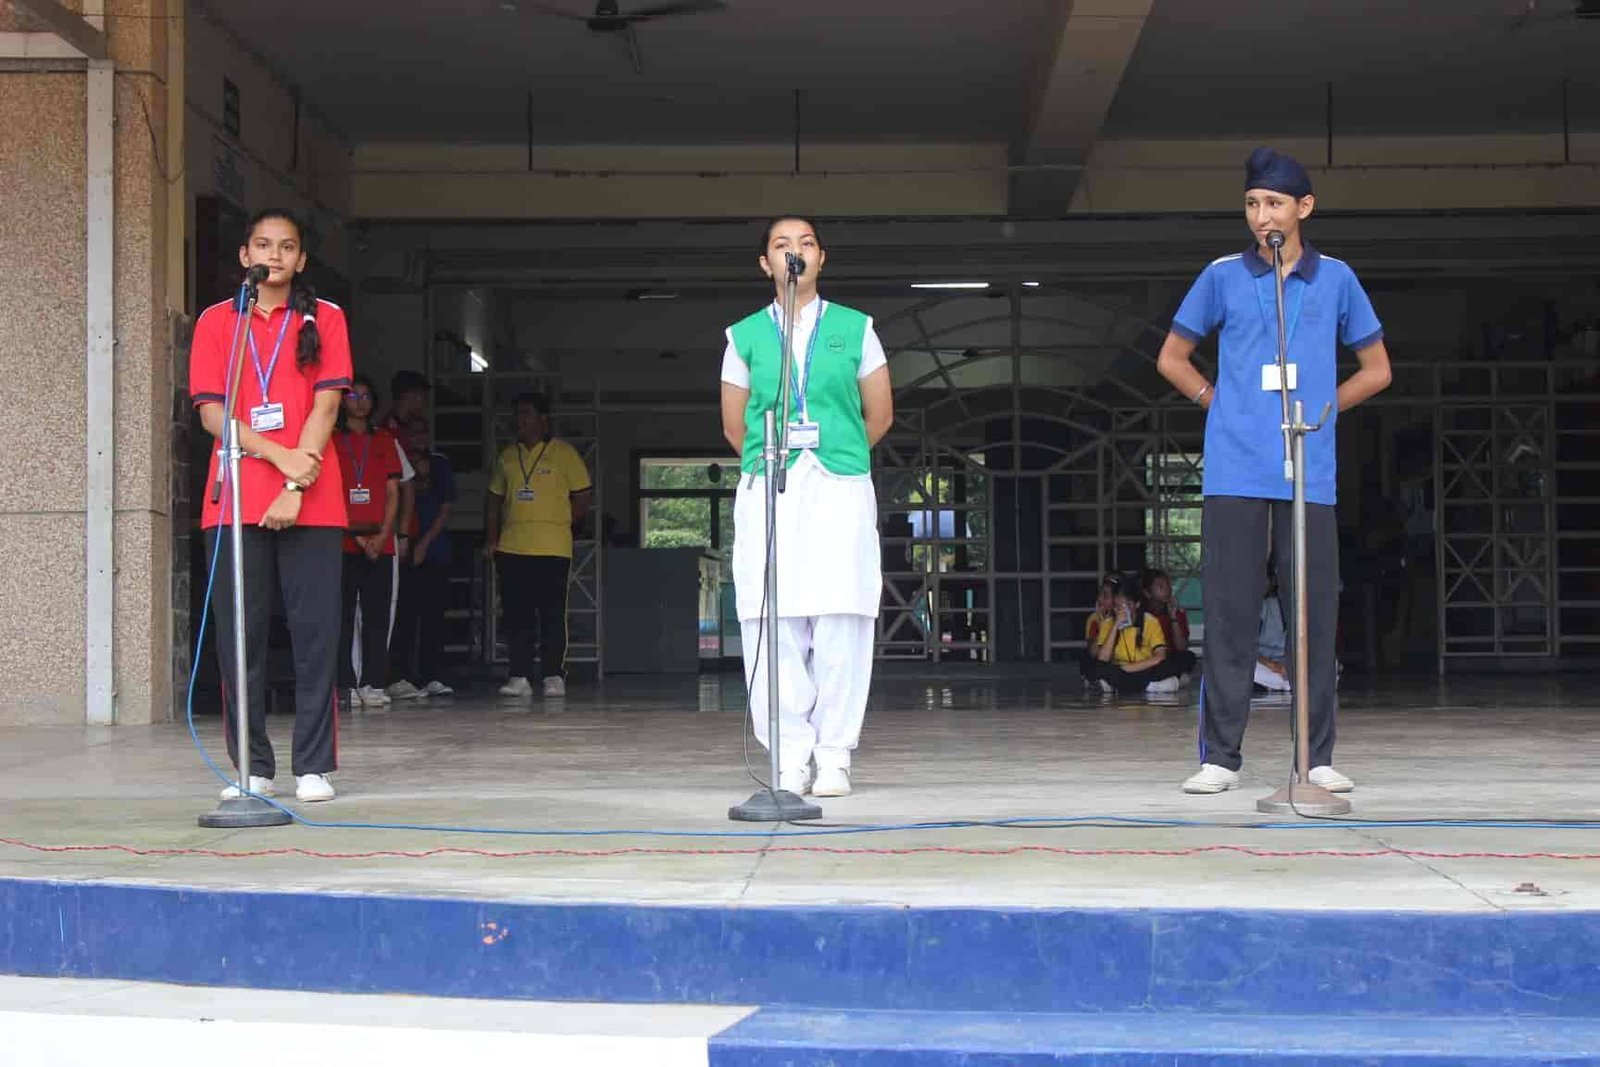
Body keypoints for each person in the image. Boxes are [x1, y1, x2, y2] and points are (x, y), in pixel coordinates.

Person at [1157, 147, 1392, 796]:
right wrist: (1216, 401)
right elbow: (1172, 357)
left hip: (1307, 465)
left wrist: (1323, 409)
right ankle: (1220, 757)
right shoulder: (1221, 275)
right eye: (1252, 204)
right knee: (1230, 611)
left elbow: (1377, 369)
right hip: (1234, 466)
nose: (1262, 216)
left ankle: (1314, 757)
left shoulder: (1335, 278)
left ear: (1304, 208)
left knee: (1311, 612)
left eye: (1275, 204)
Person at [719, 215, 894, 798]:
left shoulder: (856, 328)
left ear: (821, 258)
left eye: (806, 243)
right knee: (775, 615)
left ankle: (834, 754)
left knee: (842, 614)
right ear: (765, 264)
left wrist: (837, 455)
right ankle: (790, 755)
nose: (795, 252)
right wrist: (782, 459)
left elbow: (879, 414)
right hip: (771, 485)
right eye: (782, 244)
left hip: (838, 485)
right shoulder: (743, 335)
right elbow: (735, 426)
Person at [189, 208, 351, 803]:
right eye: (263, 245)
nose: (274, 256)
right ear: (245, 256)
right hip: (235, 498)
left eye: (286, 247)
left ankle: (314, 766)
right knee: (241, 638)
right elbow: (212, 415)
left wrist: (294, 484)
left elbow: (327, 407)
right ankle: (251, 766)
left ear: (301, 259)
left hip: (313, 497)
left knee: (315, 637)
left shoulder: (326, 316)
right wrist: (278, 457)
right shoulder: (217, 320)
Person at [484, 392, 593, 698]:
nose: (520, 420)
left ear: (543, 419)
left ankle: (552, 674)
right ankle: (518, 675)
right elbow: (493, 500)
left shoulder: (564, 454)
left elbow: (583, 495)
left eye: (527, 413)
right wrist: (492, 539)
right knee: (516, 615)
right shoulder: (508, 456)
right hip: (513, 547)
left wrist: (562, 521)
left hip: (553, 548)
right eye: (517, 414)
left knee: (552, 614)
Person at [333, 374, 404, 709]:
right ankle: (346, 684)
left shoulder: (385, 440)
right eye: (353, 396)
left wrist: (382, 535)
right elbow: (329, 492)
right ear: (342, 401)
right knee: (343, 617)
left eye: (365, 396)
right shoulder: (332, 440)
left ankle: (374, 682)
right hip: (344, 543)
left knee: (377, 617)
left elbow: (394, 492)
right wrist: (359, 536)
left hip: (381, 545)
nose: (359, 402)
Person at [390, 417, 457, 697]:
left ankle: (432, 675)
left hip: (434, 548)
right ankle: (400, 676)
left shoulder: (439, 463)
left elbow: (446, 507)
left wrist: (425, 544)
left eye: (424, 432)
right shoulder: (397, 459)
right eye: (414, 433)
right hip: (403, 545)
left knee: (433, 617)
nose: (420, 438)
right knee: (403, 617)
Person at [1082, 573, 1184, 695]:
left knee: (1169, 665)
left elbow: (1160, 656)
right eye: (1117, 607)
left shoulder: (1150, 621)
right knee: (1095, 668)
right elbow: (1102, 659)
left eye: (1128, 606)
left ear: (1137, 604)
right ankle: (1148, 686)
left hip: (1143, 668)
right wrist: (1115, 626)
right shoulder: (1108, 623)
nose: (1122, 611)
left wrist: (1128, 669)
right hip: (1119, 669)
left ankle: (1119, 686)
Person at [1143, 568, 1197, 679]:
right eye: (1160, 586)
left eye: (1168, 585)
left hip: (1168, 658)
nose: (1167, 590)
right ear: (1147, 593)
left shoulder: (1177, 613)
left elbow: (1181, 647)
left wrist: (1173, 617)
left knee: (1188, 657)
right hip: (1147, 658)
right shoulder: (1142, 614)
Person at [1080, 573, 1120, 680]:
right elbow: (1094, 653)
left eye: (1105, 596)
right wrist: (1103, 624)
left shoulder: (1127, 618)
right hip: (1104, 661)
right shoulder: (1094, 619)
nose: (1099, 599)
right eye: (1099, 595)